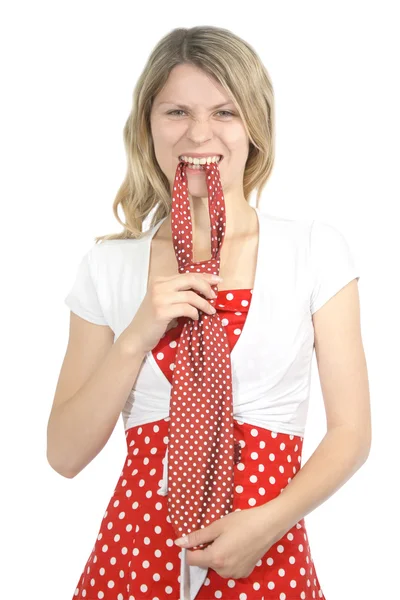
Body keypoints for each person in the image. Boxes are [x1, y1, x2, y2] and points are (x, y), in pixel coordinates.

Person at [47, 25, 371, 600]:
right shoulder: (109, 267)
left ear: (255, 127)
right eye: (176, 112)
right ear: (148, 127)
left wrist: (266, 525)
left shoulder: (314, 251)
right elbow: (65, 454)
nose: (200, 134)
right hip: (135, 557)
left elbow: (351, 433)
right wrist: (137, 334)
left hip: (264, 553)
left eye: (225, 112)